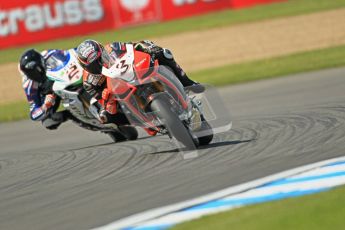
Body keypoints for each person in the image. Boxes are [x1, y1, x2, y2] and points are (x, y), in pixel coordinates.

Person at [75, 39, 205, 125]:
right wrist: (107, 99)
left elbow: (134, 47)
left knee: (163, 53)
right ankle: (146, 123)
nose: (99, 64)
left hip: (132, 73)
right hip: (120, 94)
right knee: (106, 117)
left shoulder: (113, 47)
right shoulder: (89, 82)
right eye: (93, 65)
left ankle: (187, 82)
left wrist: (147, 46)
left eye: (100, 58)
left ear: (102, 51)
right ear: (85, 66)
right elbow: (109, 108)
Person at [19, 49, 69, 130]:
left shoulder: (49, 54)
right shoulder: (28, 85)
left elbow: (69, 55)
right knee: (48, 122)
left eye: (34, 70)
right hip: (51, 94)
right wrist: (45, 105)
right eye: (29, 73)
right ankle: (72, 115)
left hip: (65, 76)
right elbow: (34, 114)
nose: (33, 75)